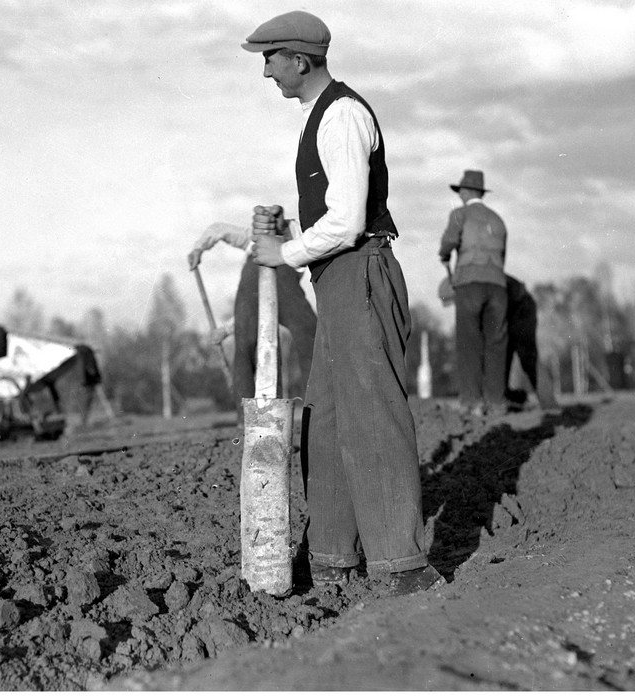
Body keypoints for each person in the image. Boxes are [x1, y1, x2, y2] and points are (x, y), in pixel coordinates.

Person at [242, 10, 442, 594]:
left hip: (360, 274)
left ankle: (400, 566)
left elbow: (349, 219)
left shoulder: (344, 116)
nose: (266, 72)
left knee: (371, 416)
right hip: (334, 280)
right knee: (325, 421)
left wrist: (287, 253)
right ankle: (333, 555)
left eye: (270, 59)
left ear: (299, 60)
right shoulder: (316, 117)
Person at [188, 222, 317, 408]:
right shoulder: (265, 239)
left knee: (307, 338)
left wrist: (198, 248)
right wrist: (198, 248)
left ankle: (249, 420)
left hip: (284, 281)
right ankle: (317, 411)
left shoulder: (298, 242)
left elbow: (255, 310)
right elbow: (255, 306)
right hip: (281, 278)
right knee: (311, 340)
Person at [438, 169, 509, 416]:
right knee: (496, 343)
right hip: (498, 287)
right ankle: (497, 403)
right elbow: (502, 257)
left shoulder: (460, 214)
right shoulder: (498, 220)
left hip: (470, 284)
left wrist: (444, 255)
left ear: (467, 192)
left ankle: (472, 402)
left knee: (469, 342)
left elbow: (448, 243)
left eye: (460, 192)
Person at [504, 275, 560, 410]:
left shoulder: (479, 287)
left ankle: (549, 403)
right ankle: (506, 400)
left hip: (522, 309)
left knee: (528, 357)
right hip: (509, 311)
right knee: (500, 357)